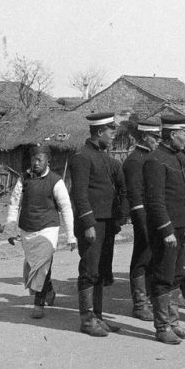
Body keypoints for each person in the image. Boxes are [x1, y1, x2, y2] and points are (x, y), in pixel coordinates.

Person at [140, 114, 185, 345]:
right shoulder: (155, 160)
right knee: (163, 276)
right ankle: (162, 326)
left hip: (183, 226)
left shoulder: (182, 159)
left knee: (176, 276)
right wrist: (166, 230)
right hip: (166, 231)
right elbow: (155, 200)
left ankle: (174, 323)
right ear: (173, 134)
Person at [65, 112, 126, 337]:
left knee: (101, 270)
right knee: (89, 270)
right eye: (111, 132)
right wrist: (89, 223)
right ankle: (87, 320)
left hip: (106, 223)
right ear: (99, 131)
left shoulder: (104, 157)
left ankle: (98, 317)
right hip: (91, 224)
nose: (113, 137)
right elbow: (79, 194)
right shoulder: (82, 157)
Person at [3, 145, 77, 318]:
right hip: (27, 229)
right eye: (33, 159)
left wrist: (71, 236)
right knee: (33, 266)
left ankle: (38, 304)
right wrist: (11, 228)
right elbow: (14, 204)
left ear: (47, 161)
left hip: (48, 229)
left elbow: (66, 208)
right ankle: (48, 289)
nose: (36, 163)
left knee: (42, 266)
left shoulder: (56, 181)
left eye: (40, 160)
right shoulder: (24, 179)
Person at [121, 118, 163, 322]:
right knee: (142, 257)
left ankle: (150, 297)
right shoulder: (134, 160)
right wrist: (141, 220)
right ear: (145, 137)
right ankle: (139, 303)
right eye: (154, 137)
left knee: (153, 256)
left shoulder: (152, 158)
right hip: (143, 215)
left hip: (155, 214)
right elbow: (135, 195)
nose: (157, 140)